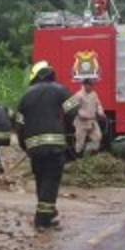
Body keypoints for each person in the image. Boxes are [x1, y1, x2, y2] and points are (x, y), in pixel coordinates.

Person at [15, 61, 78, 230]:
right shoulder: (59, 89)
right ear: (51, 75)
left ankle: (49, 215)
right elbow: (73, 109)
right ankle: (41, 219)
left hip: (34, 147)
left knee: (41, 180)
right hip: (54, 145)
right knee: (51, 181)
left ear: (35, 78)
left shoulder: (26, 96)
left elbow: (19, 124)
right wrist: (67, 127)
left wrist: (24, 145)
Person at [71, 78, 107, 156]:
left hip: (92, 121)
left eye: (92, 85)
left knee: (98, 137)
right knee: (80, 142)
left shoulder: (94, 94)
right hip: (81, 122)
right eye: (90, 85)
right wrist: (79, 113)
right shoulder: (78, 95)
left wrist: (101, 113)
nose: (91, 87)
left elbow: (98, 105)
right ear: (85, 85)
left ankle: (88, 152)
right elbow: (69, 106)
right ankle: (78, 157)